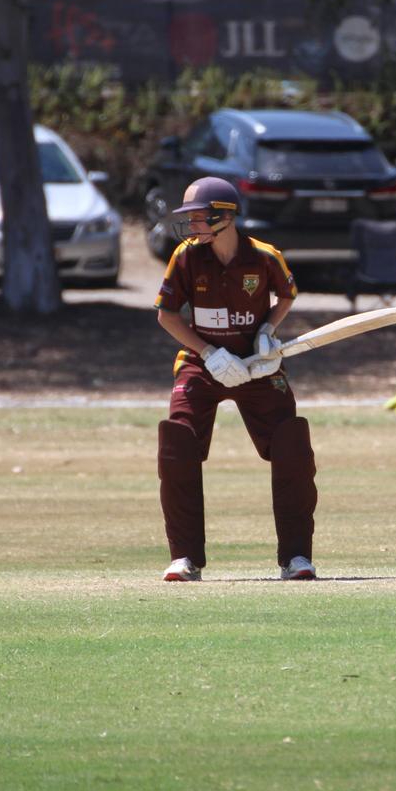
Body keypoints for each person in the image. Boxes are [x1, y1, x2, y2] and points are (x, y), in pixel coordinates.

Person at [154, 176, 318, 582]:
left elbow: (288, 296)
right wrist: (209, 354)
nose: (191, 225)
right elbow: (167, 315)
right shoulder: (186, 256)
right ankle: (184, 558)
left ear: (223, 217)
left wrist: (266, 332)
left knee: (291, 445)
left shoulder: (264, 257)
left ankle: (296, 557)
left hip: (258, 366)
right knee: (177, 443)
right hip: (200, 363)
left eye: (197, 217)